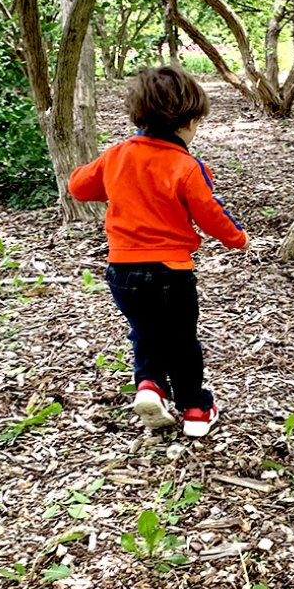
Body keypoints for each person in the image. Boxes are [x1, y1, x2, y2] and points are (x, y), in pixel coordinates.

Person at [68, 67, 248, 438]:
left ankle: (150, 386)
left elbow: (79, 187)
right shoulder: (186, 166)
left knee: (145, 331)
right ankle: (196, 408)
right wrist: (238, 239)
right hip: (170, 271)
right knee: (181, 338)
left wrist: (121, 187)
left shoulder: (118, 155)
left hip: (122, 271)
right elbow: (210, 213)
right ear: (187, 121)